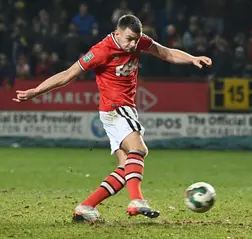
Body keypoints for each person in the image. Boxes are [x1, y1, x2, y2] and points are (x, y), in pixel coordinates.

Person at [13, 15, 212, 223]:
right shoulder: (101, 51)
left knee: (126, 167)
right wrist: (35, 91)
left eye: (136, 39)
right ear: (117, 33)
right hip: (116, 108)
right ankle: (137, 200)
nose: (133, 44)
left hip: (120, 110)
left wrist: (192, 58)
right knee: (140, 149)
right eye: (128, 39)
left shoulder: (138, 41)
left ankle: (86, 207)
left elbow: (166, 53)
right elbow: (67, 74)